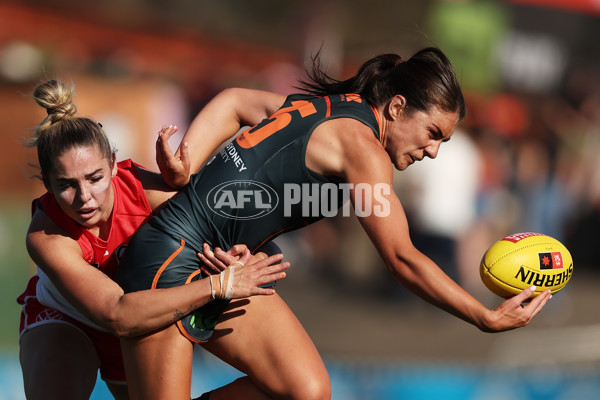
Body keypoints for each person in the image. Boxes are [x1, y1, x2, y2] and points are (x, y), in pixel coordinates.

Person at [116, 47, 552, 400]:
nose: (434, 151)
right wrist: (482, 315)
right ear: (397, 107)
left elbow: (234, 102)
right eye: (433, 133)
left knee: (306, 389)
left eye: (444, 141)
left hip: (224, 269)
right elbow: (401, 257)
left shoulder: (329, 108)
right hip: (169, 262)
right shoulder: (365, 149)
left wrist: (188, 165)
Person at [17, 79, 289, 400]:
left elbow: (237, 229)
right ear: (47, 185)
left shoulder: (146, 193)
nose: (85, 197)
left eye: (95, 178)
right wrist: (219, 286)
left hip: (145, 313)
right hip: (69, 319)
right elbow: (116, 313)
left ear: (115, 166)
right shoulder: (45, 235)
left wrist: (243, 253)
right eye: (66, 185)